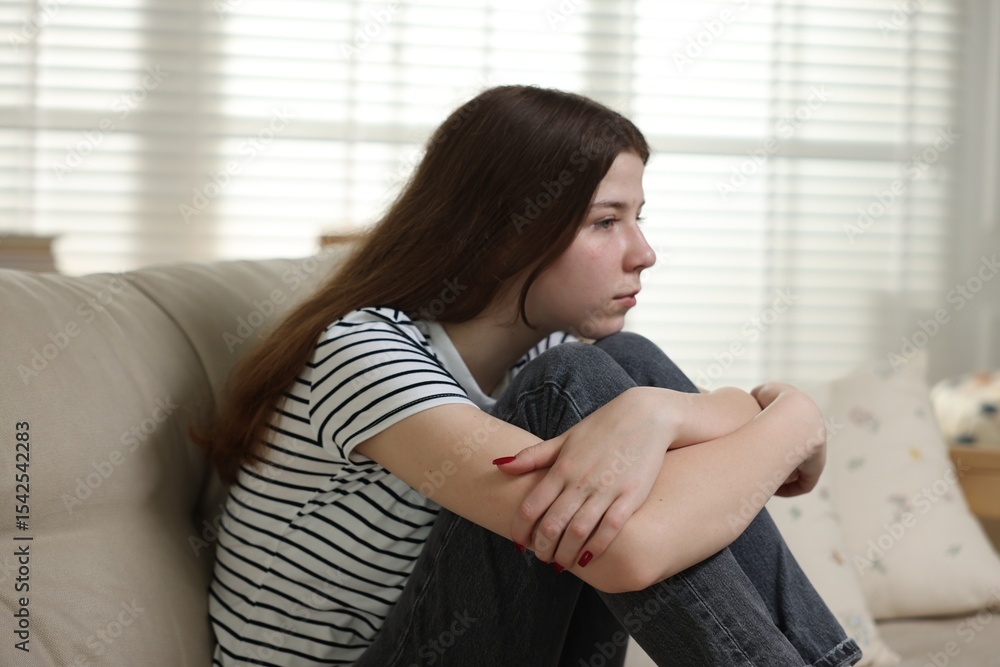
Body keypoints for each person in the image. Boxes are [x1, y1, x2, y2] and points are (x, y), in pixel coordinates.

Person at [193, 84, 862, 667]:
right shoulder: (361, 353)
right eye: (606, 222)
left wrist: (662, 413)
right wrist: (796, 419)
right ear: (505, 233)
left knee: (628, 366)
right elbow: (628, 553)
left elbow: (735, 458)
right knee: (581, 380)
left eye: (638, 219)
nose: (644, 253)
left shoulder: (547, 357)